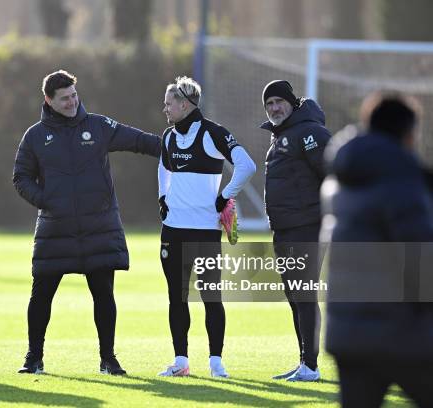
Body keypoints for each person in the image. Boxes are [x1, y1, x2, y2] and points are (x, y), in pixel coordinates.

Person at [13, 69, 160, 375]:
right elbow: (21, 178)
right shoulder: (35, 136)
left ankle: (108, 358)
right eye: (64, 98)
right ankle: (33, 358)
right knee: (41, 295)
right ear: (48, 100)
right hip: (55, 228)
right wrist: (46, 200)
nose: (71, 102)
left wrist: (179, 146)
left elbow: (140, 141)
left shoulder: (98, 125)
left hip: (99, 227)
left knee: (104, 295)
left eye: (74, 96)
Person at [322, 93, 433, 407]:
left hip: (347, 333)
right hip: (399, 331)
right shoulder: (400, 179)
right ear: (408, 133)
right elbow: (419, 255)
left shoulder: (341, 179)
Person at [157, 76, 256, 377]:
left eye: (169, 103)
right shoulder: (169, 136)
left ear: (184, 104)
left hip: (204, 231)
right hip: (173, 229)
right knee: (177, 297)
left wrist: (225, 195)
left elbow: (247, 165)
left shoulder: (213, 133)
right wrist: (162, 196)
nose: (165, 109)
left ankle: (216, 362)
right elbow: (163, 166)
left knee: (211, 297)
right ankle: (181, 361)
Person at [260, 80, 330, 382]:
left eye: (279, 101)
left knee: (304, 294)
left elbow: (332, 175)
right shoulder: (282, 135)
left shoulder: (310, 132)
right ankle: (304, 361)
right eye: (269, 104)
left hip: (307, 226)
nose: (274, 108)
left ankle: (311, 366)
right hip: (285, 229)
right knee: (294, 295)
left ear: (291, 102)